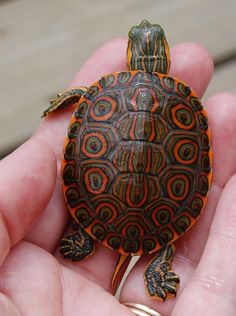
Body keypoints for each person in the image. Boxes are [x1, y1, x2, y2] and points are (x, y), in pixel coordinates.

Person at [0, 38, 236, 316]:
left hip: (101, 206)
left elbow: (87, 99)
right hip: (160, 215)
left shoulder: (103, 91)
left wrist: (72, 98)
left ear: (132, 54)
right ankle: (158, 264)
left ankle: (84, 233)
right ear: (164, 57)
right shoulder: (184, 103)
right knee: (165, 239)